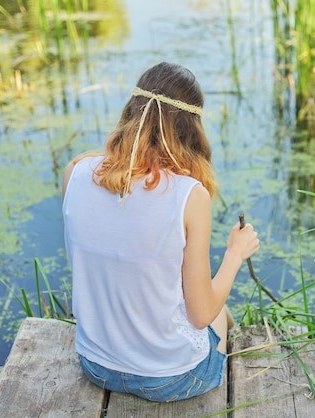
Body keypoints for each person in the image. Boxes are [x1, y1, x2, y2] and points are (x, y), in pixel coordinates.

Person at [61, 62, 260, 402]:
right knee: (217, 314)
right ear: (191, 128)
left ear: (131, 112)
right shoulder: (188, 195)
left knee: (214, 311)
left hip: (95, 364)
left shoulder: (76, 172)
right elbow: (199, 314)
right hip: (172, 379)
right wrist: (235, 254)